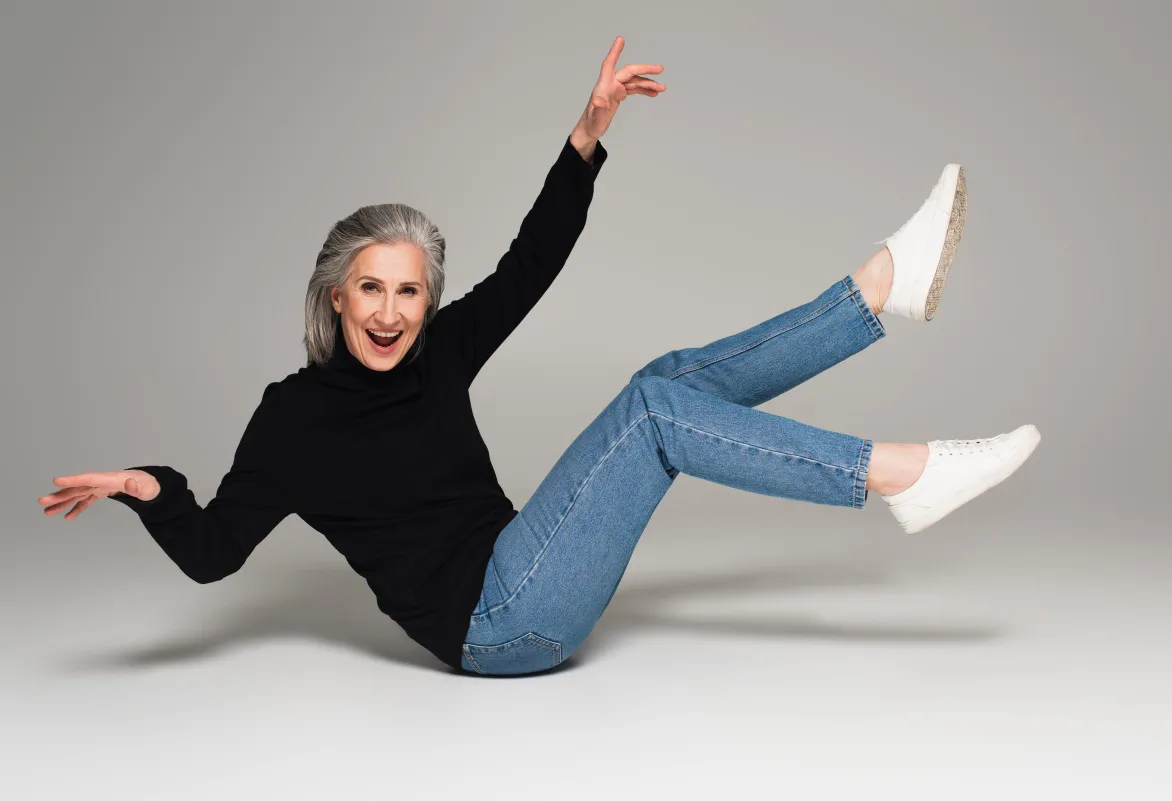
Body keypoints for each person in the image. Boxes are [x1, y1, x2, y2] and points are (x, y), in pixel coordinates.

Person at [38, 37, 1039, 677]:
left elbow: (530, 264)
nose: (390, 314)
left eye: (409, 292)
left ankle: (872, 294)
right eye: (371, 290)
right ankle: (895, 474)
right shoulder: (291, 419)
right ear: (335, 295)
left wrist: (587, 135)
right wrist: (144, 487)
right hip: (497, 628)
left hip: (527, 563)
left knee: (662, 382)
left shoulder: (436, 352)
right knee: (654, 414)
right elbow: (214, 552)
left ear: (426, 302)